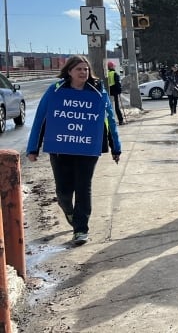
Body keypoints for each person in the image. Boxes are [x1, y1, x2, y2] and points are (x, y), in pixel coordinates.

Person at [26, 55, 121, 246]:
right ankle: (69, 211)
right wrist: (33, 147)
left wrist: (115, 146)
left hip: (88, 147)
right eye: (79, 69)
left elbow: (109, 118)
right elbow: (41, 118)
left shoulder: (96, 90)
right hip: (61, 148)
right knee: (63, 190)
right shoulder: (55, 90)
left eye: (86, 69)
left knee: (83, 187)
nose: (83, 72)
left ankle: (80, 229)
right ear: (69, 71)